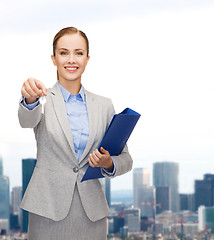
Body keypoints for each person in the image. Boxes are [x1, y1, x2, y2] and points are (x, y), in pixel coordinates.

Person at [18, 27, 133, 240]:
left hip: (92, 213)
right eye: (64, 53)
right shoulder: (41, 98)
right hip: (47, 210)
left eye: (78, 53)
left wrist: (108, 163)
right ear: (53, 59)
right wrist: (29, 99)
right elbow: (27, 121)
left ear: (87, 59)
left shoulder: (104, 105)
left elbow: (126, 159)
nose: (71, 59)